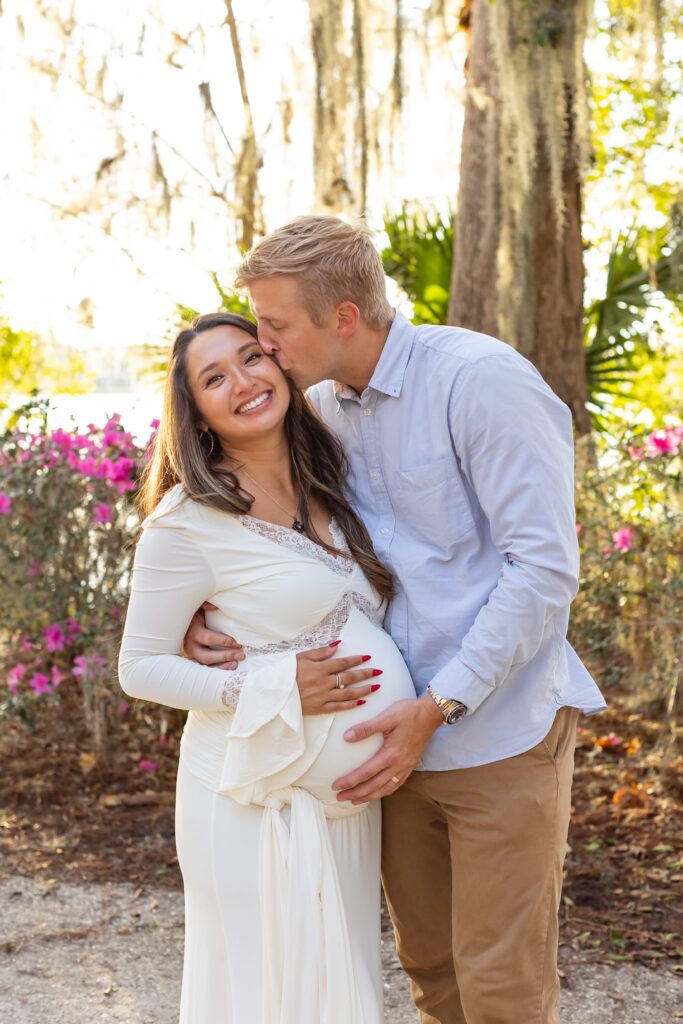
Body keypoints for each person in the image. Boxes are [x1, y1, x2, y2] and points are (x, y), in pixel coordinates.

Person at [184, 216, 607, 1024]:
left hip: (497, 733)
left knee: (501, 987)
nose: (263, 348)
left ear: (342, 318)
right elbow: (242, 510)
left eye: (274, 327)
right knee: (433, 974)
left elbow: (544, 571)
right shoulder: (316, 408)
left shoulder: (481, 382)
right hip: (388, 744)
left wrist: (437, 705)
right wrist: (202, 609)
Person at [118, 311, 417, 1023]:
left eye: (252, 357)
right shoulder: (184, 522)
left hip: (338, 807)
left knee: (333, 990)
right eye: (214, 378)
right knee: (260, 996)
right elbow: (139, 667)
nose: (244, 381)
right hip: (250, 797)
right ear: (195, 414)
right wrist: (267, 685)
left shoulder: (329, 471)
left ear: (282, 366)